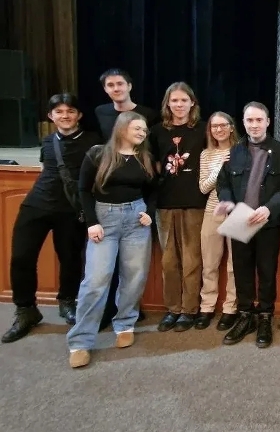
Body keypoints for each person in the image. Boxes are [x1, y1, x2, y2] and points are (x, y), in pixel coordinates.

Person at [1, 94, 100, 344]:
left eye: (70, 111)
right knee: (21, 257)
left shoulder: (93, 141)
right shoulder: (47, 141)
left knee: (70, 259)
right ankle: (26, 310)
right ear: (50, 116)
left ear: (79, 115)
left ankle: (67, 301)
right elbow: (47, 170)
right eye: (59, 112)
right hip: (35, 205)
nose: (65, 116)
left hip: (70, 209)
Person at [67, 111, 156, 368]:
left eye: (144, 130)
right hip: (104, 220)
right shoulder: (98, 154)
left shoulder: (145, 157)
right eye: (137, 128)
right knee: (96, 280)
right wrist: (91, 222)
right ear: (122, 127)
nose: (142, 133)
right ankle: (81, 341)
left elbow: (153, 189)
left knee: (134, 275)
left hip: (136, 220)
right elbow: (83, 189)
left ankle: (125, 324)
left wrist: (149, 213)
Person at [215, 102, 280, 348]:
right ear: (243, 122)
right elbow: (223, 183)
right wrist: (227, 201)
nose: (254, 125)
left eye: (259, 120)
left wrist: (269, 208)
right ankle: (245, 316)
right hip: (239, 219)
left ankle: (265, 317)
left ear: (268, 122)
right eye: (249, 120)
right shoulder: (235, 151)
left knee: (267, 272)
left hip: (266, 222)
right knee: (242, 271)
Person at [94, 68, 158, 329]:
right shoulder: (100, 112)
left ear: (129, 85)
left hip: (136, 195)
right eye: (110, 85)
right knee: (103, 267)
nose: (116, 88)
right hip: (107, 197)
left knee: (132, 267)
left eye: (120, 83)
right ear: (105, 89)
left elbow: (151, 152)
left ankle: (127, 311)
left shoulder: (148, 114)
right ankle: (106, 310)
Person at [150, 82, 207, 333]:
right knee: (169, 262)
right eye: (174, 100)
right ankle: (173, 309)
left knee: (192, 260)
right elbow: (154, 165)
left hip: (194, 203)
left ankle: (189, 310)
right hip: (165, 204)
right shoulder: (156, 131)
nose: (179, 105)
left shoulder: (203, 129)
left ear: (192, 103)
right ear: (167, 104)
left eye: (184, 100)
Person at [196, 112, 239, 331]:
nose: (219, 129)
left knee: (234, 264)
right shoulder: (206, 154)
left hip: (237, 211)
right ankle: (207, 306)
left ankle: (230, 308)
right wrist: (220, 166)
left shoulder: (242, 150)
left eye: (223, 125)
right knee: (210, 263)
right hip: (213, 210)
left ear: (231, 127)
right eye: (214, 126)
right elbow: (204, 187)